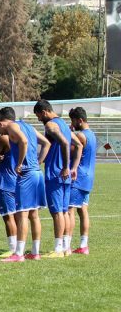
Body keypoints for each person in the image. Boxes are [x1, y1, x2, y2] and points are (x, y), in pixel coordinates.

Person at [0, 113, 50, 262]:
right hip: (37, 173)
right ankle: (35, 252)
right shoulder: (28, 126)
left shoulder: (11, 126)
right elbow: (46, 143)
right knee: (34, 215)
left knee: (22, 214)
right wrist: (38, 162)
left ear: (1, 124)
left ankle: (19, 254)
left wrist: (19, 163)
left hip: (27, 175)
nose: (4, 135)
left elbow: (23, 141)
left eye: (1, 132)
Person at [34, 99, 83, 258]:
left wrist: (65, 167)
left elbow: (63, 143)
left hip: (56, 173)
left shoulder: (51, 125)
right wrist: (72, 167)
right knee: (65, 211)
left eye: (39, 116)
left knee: (57, 213)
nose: (39, 120)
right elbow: (79, 145)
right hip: (65, 175)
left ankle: (58, 249)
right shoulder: (63, 123)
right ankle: (67, 247)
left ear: (44, 111)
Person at [0, 107, 19, 258]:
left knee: (8, 216)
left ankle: (13, 248)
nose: (0, 133)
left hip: (6, 181)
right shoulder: (21, 135)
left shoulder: (5, 138)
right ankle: (20, 248)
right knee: (20, 216)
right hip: (20, 180)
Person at [68, 107, 96, 255]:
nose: (72, 123)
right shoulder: (92, 134)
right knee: (83, 210)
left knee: (70, 210)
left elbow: (71, 152)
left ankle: (67, 245)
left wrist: (69, 134)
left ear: (79, 120)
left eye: (73, 121)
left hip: (78, 177)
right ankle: (84, 245)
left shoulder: (80, 136)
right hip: (89, 177)